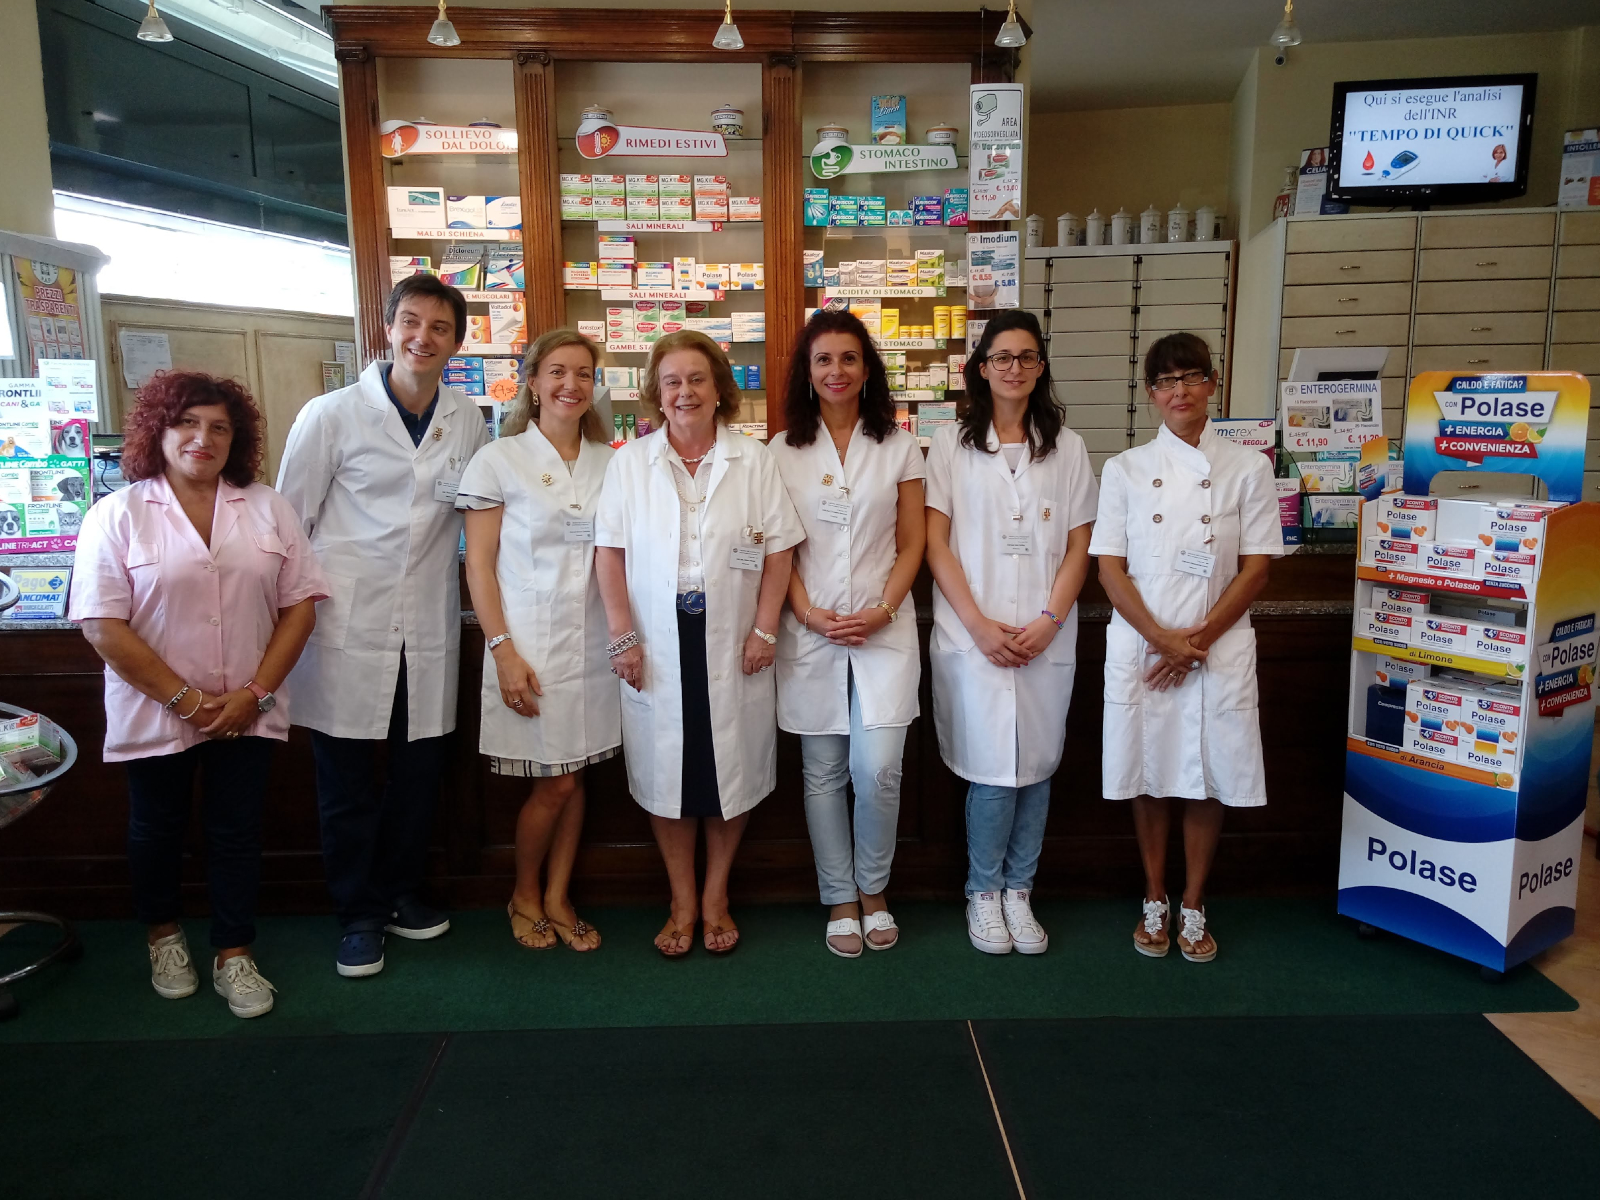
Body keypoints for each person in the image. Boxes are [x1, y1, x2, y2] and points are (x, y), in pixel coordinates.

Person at [71, 372, 326, 1018]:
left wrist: (254, 694)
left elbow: (300, 607)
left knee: (236, 831)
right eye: (186, 423)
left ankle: (234, 952)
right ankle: (163, 937)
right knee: (156, 828)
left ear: (236, 440)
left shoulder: (267, 507)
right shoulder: (118, 514)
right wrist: (185, 700)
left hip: (248, 707)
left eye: (218, 427)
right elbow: (102, 625)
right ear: (157, 431)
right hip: (155, 708)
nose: (201, 438)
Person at [276, 274, 490, 978]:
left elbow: (475, 515)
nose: (423, 337)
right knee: (346, 781)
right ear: (388, 328)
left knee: (418, 772)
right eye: (411, 322)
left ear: (456, 343)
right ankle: (357, 915)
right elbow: (289, 525)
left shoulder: (466, 418)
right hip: (347, 620)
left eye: (439, 328)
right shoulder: (331, 415)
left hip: (427, 620)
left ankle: (400, 892)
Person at [595, 330, 803, 957]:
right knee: (669, 772)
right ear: (656, 394)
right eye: (671, 382)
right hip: (657, 638)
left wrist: (765, 628)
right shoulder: (630, 463)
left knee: (726, 768)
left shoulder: (753, 459)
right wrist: (622, 637)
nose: (684, 392)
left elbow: (780, 550)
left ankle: (716, 897)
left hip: (734, 633)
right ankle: (681, 900)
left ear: (718, 389)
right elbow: (610, 554)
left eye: (696, 379)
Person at [1090, 333, 1284, 963]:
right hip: (1144, 644)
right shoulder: (1124, 468)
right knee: (1148, 766)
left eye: (1192, 377)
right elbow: (1109, 568)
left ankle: (1194, 901)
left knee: (1208, 772)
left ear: (1212, 383)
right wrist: (1162, 640)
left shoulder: (1248, 468)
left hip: (1215, 645)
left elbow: (1257, 567)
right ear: (1151, 393)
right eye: (1167, 381)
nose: (1180, 391)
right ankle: (1154, 895)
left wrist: (1193, 643)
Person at [924, 309, 1096, 956]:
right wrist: (976, 625)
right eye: (1002, 357)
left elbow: (1080, 546)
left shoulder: (1068, 447)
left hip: (1045, 634)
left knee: (1038, 767)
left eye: (1026, 357)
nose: (1014, 368)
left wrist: (1050, 621)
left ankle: (1020, 891)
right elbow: (936, 544)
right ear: (982, 367)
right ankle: (983, 891)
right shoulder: (950, 444)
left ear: (1040, 367)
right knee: (993, 771)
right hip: (975, 634)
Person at [770, 312, 925, 957]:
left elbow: (913, 542)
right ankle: (839, 896)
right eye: (823, 360)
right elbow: (778, 547)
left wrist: (885, 609)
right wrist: (806, 611)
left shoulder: (899, 446)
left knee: (879, 767)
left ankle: (874, 888)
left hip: (884, 630)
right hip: (811, 630)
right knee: (824, 771)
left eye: (849, 358)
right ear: (807, 373)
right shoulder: (781, 450)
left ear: (867, 369)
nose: (837, 371)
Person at [458, 329, 617, 952]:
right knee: (554, 782)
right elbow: (479, 565)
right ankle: (525, 893)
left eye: (583, 374)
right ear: (532, 382)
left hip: (595, 644)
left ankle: (558, 894)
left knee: (575, 774)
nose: (570, 385)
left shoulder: (612, 461)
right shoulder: (499, 460)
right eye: (557, 372)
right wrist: (502, 651)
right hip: (527, 645)